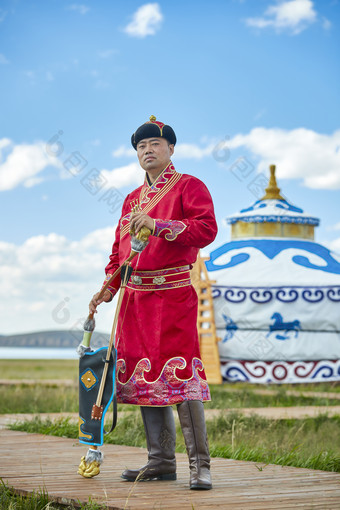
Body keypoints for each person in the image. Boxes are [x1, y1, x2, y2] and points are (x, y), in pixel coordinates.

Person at [89, 115, 218, 490]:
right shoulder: (131, 199)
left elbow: (206, 229)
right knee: (147, 376)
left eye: (154, 145)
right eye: (141, 147)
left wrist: (159, 225)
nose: (147, 150)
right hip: (135, 300)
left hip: (173, 294)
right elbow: (120, 253)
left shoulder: (189, 186)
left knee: (180, 375)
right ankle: (160, 461)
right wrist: (107, 289)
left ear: (171, 149)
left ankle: (200, 465)